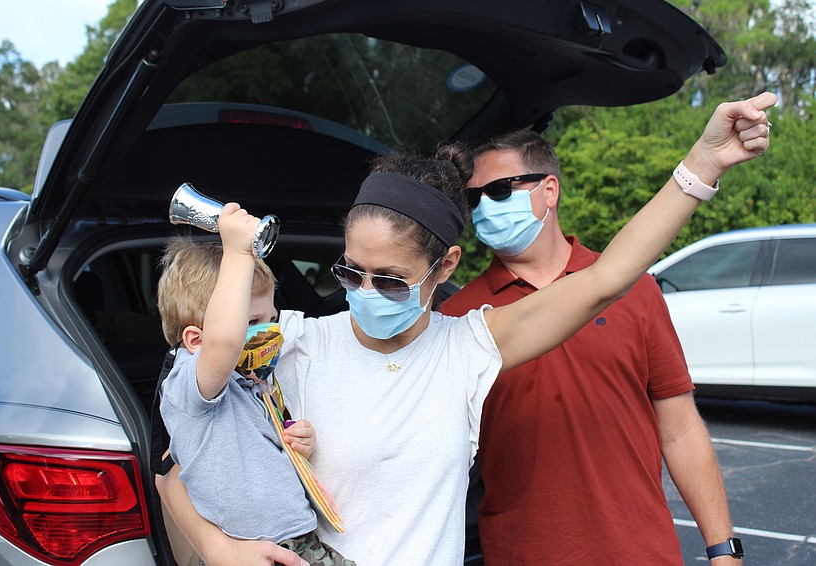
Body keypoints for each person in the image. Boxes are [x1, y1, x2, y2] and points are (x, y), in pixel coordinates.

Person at [157, 92, 775, 566]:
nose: (367, 294)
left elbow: (605, 278)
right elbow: (175, 463)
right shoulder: (290, 344)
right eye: (351, 273)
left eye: (392, 279)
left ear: (444, 267)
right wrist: (217, 549)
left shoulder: (468, 344)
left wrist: (702, 164)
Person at [440, 125, 740, 564]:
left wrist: (723, 549)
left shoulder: (633, 289)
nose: (485, 206)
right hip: (521, 554)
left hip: (641, 553)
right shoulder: (459, 320)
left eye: (501, 189)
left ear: (549, 190)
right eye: (474, 198)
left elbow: (680, 430)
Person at [155, 236, 353, 566]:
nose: (270, 332)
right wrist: (237, 250)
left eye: (271, 319)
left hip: (299, 538)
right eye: (250, 324)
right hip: (252, 550)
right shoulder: (190, 384)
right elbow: (223, 344)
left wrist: (296, 441)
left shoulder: (248, 380)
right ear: (195, 340)